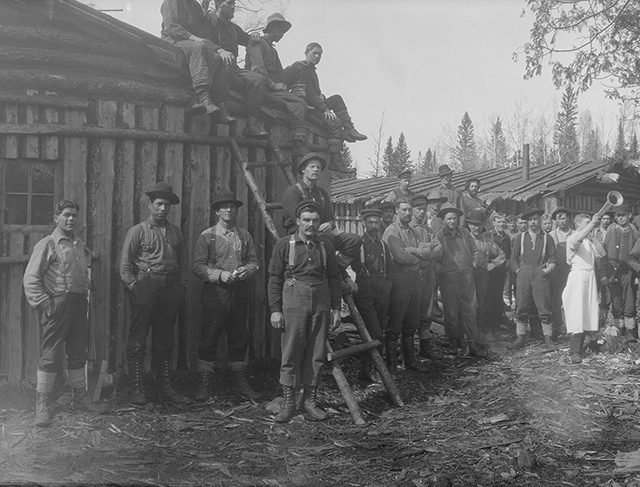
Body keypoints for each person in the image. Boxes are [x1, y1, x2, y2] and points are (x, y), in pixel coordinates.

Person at [24, 200, 107, 427]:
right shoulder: (47, 244)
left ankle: (80, 399)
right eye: (66, 215)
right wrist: (45, 304)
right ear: (56, 218)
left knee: (78, 353)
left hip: (79, 305)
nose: (71, 219)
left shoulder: (79, 245)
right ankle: (42, 405)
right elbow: (31, 279)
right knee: (50, 354)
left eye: (74, 216)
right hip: (57, 305)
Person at [268, 200, 341, 423]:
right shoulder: (284, 244)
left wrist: (336, 308)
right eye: (307, 220)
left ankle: (309, 402)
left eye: (315, 220)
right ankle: (289, 403)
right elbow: (274, 278)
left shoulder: (325, 246)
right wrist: (275, 309)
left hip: (321, 300)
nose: (311, 224)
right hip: (293, 299)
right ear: (298, 221)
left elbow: (334, 278)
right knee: (291, 350)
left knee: (316, 351)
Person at [120, 182, 190, 406]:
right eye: (159, 204)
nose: (163, 208)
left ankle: (165, 389)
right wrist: (135, 288)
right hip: (145, 287)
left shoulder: (176, 232)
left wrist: (180, 288)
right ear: (150, 205)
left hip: (170, 289)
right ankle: (137, 389)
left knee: (164, 341)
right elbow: (124, 266)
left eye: (167, 205)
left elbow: (184, 265)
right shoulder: (138, 231)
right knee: (139, 340)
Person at [192, 192, 261, 401]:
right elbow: (197, 266)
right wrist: (219, 274)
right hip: (215, 292)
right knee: (210, 336)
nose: (229, 210)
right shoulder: (207, 236)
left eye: (232, 206)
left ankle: (239, 381)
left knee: (239, 336)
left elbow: (254, 262)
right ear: (216, 211)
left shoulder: (244, 235)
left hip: (239, 291)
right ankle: (204, 383)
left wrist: (247, 271)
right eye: (224, 207)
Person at [282, 42, 367, 167]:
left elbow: (315, 93)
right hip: (305, 106)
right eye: (314, 53)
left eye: (319, 54)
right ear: (306, 53)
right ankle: (335, 160)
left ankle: (349, 129)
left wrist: (322, 98)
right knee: (335, 123)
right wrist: (325, 109)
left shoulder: (312, 71)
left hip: (314, 103)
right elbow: (309, 94)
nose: (317, 56)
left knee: (337, 99)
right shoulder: (301, 67)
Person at [244, 13, 311, 155]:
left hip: (273, 86)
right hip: (259, 85)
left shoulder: (273, 50)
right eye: (280, 30)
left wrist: (288, 77)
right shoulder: (258, 42)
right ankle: (299, 143)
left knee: (300, 102)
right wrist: (274, 85)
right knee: (299, 104)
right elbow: (258, 68)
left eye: (284, 31)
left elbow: (280, 73)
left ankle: (299, 140)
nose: (282, 34)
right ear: (272, 28)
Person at [280, 152, 361, 266]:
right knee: (326, 240)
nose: (316, 169)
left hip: (321, 235)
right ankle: (329, 269)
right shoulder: (293, 193)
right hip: (299, 235)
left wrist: (329, 224)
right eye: (312, 167)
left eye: (318, 167)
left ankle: (338, 268)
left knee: (354, 240)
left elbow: (331, 219)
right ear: (303, 170)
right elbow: (300, 223)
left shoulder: (321, 194)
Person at [202, 0, 268, 136]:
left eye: (234, 3)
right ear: (219, 5)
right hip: (215, 67)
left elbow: (247, 39)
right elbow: (202, 40)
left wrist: (254, 36)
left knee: (258, 80)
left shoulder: (233, 28)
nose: (233, 6)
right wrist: (219, 50)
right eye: (229, 3)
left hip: (233, 69)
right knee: (228, 61)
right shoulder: (210, 22)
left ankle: (251, 125)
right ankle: (222, 109)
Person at [382, 198, 431, 373]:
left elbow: (429, 251)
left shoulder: (413, 231)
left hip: (415, 279)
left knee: (411, 322)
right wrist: (418, 257)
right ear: (396, 211)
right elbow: (400, 257)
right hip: (399, 279)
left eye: (410, 210)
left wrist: (416, 253)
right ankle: (391, 365)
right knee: (395, 324)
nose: (408, 213)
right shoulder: (391, 232)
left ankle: (410, 361)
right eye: (404, 210)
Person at [161, 0, 230, 116]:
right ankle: (203, 96)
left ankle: (194, 99)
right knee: (197, 47)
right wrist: (193, 38)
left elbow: (202, 28)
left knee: (215, 57)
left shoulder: (195, 5)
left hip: (190, 42)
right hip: (173, 41)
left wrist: (210, 14)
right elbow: (171, 27)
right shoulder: (172, 2)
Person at [351, 209, 394, 382]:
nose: (374, 226)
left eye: (377, 222)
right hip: (365, 289)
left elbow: (390, 267)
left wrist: (389, 284)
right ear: (364, 223)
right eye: (371, 222)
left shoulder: (383, 245)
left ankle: (374, 369)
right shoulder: (357, 244)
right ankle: (369, 370)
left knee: (380, 328)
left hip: (382, 288)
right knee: (372, 331)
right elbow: (346, 264)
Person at [435, 203, 483, 357]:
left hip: (467, 277)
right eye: (449, 218)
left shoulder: (464, 233)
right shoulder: (439, 235)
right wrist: (440, 271)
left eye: (454, 218)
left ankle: (471, 344)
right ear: (444, 220)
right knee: (450, 311)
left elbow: (475, 250)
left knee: (470, 309)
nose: (452, 221)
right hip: (448, 278)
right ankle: (454, 343)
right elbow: (435, 257)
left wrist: (473, 265)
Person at [509, 207, 558, 350]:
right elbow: (513, 258)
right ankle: (521, 337)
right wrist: (518, 270)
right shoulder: (521, 237)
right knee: (521, 305)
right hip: (524, 273)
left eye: (535, 219)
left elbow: (554, 259)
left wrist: (546, 271)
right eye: (530, 220)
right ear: (527, 221)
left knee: (544, 306)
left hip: (540, 273)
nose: (533, 222)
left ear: (540, 220)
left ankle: (548, 338)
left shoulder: (546, 237)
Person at [563, 213, 605, 364]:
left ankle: (579, 349)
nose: (590, 224)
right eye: (586, 223)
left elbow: (602, 253)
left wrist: (593, 236)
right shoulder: (573, 238)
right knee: (577, 312)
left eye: (590, 222)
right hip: (578, 276)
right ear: (578, 225)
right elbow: (578, 239)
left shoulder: (588, 240)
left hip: (590, 276)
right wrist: (591, 224)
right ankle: (574, 351)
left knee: (587, 312)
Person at [409, 194, 444, 360]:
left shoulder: (429, 230)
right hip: (414, 274)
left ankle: (425, 348)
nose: (422, 212)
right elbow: (408, 251)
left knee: (427, 310)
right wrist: (426, 249)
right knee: (410, 311)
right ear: (413, 210)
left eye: (424, 209)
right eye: (419, 209)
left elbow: (439, 250)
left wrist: (424, 249)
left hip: (428, 273)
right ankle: (407, 352)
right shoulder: (408, 229)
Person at [600, 205, 640, 336]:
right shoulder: (610, 233)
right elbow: (604, 254)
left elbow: (636, 257)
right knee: (616, 302)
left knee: (629, 302)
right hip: (613, 272)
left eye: (623, 215)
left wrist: (636, 275)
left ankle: (630, 331)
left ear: (629, 215)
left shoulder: (635, 234)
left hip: (628, 272)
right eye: (617, 216)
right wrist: (604, 273)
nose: (620, 218)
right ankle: (619, 331)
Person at [467, 210, 506, 344]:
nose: (476, 228)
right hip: (467, 275)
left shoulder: (487, 241)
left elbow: (502, 255)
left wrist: (492, 265)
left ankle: (482, 331)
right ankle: (468, 334)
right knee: (469, 304)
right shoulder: (465, 239)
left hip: (482, 275)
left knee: (483, 303)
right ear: (469, 225)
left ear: (483, 225)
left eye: (479, 225)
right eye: (473, 225)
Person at [485, 212, 511, 340]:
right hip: (488, 274)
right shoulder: (488, 236)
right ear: (494, 223)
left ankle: (496, 329)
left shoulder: (506, 238)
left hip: (500, 274)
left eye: (503, 222)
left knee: (497, 301)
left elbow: (508, 256)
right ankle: (487, 330)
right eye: (499, 222)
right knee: (487, 301)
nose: (501, 224)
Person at [549, 207, 574, 340]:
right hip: (556, 272)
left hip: (571, 271)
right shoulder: (552, 235)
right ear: (556, 221)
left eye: (564, 218)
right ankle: (557, 327)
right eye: (559, 218)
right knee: (556, 301)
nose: (562, 221)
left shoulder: (575, 234)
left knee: (571, 300)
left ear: (568, 219)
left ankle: (573, 328)